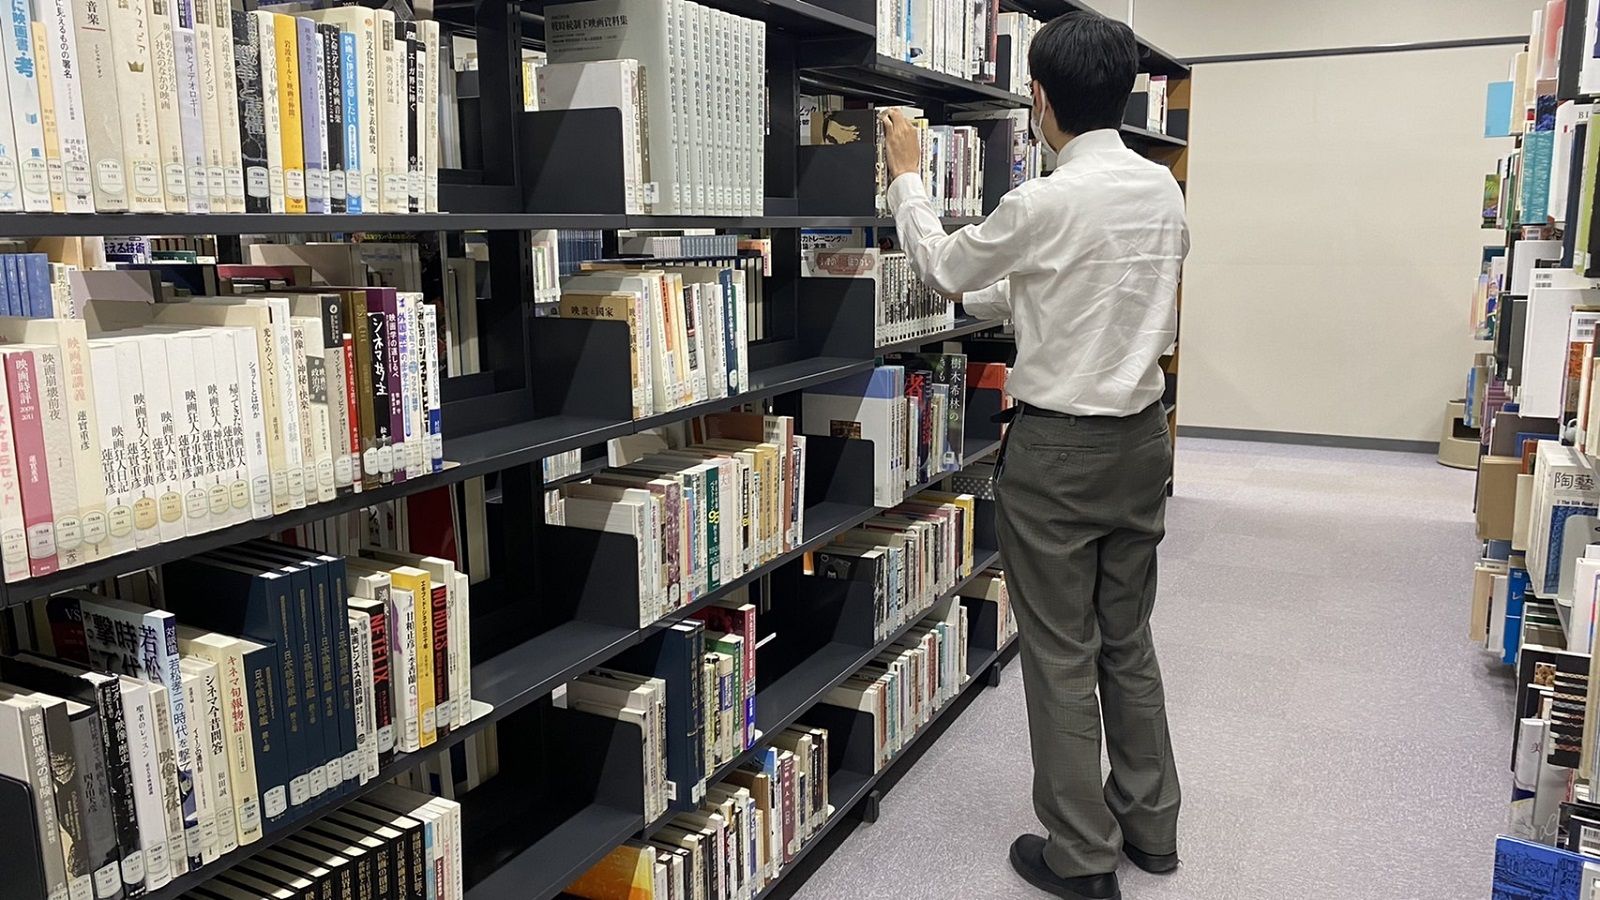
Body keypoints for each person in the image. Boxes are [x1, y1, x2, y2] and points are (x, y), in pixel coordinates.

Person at [881, 12, 1189, 900]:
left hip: (1059, 451)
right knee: (1126, 636)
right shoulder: (1162, 190)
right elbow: (1079, 290)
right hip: (1142, 439)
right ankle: (1151, 828)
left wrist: (908, 177)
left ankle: (1081, 856)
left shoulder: (1042, 202)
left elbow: (944, 268)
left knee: (1059, 651)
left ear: (1038, 99)